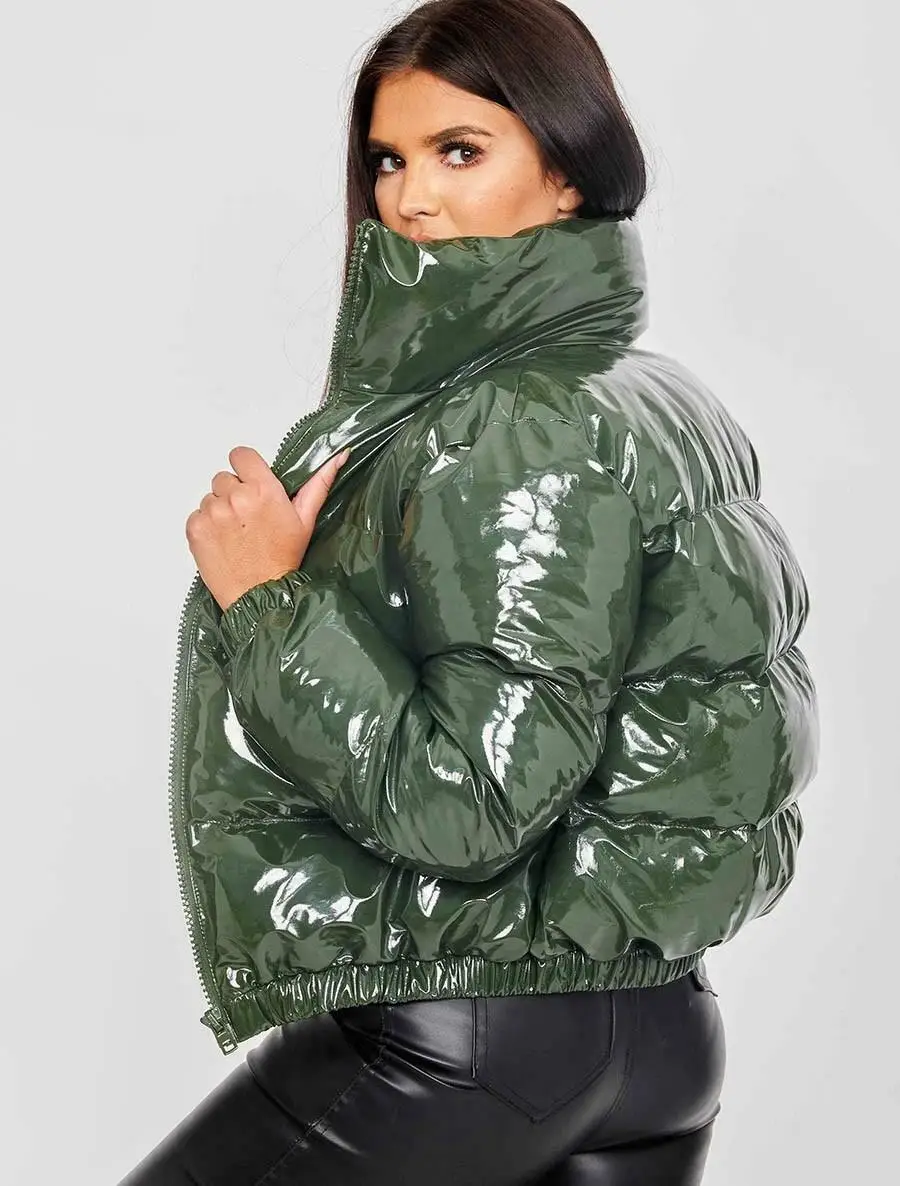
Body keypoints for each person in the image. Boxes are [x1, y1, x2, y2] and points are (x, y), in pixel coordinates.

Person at [120, 1, 819, 1183]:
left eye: (459, 150)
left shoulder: (510, 422)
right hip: (661, 1033)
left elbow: (474, 805)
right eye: (390, 160)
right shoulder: (654, 395)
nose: (411, 200)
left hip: (470, 1038)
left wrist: (272, 603)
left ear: (568, 171)